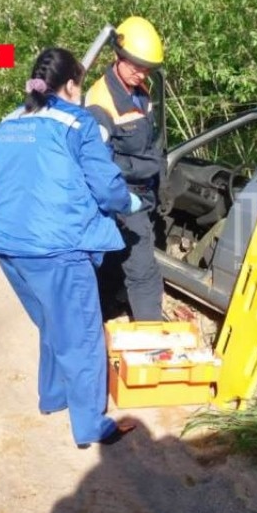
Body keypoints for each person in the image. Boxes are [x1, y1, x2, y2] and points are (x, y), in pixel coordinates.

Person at [0, 47, 140, 448]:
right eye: (81, 85)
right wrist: (130, 202)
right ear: (71, 84)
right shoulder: (77, 121)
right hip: (56, 249)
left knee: (53, 323)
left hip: (8, 246)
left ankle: (53, 397)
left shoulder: (8, 122)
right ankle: (91, 426)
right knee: (84, 336)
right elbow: (107, 189)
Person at [85, 16, 166, 322]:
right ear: (118, 56)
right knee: (144, 274)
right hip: (122, 195)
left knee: (112, 265)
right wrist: (125, 199)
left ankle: (102, 318)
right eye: (135, 65)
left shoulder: (140, 91)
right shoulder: (100, 102)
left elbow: (148, 142)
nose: (140, 72)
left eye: (146, 67)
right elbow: (98, 167)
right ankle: (152, 341)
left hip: (143, 191)